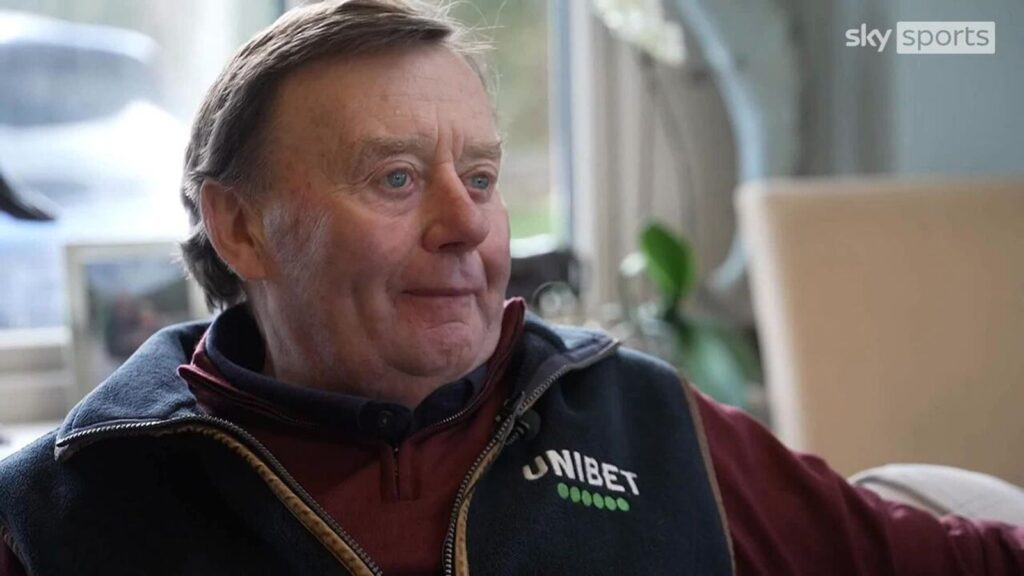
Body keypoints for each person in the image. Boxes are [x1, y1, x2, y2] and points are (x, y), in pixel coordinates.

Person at [0, 1, 1021, 574]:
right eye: (396, 178)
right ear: (242, 227)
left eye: (481, 178)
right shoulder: (62, 506)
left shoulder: (641, 419)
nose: (469, 226)